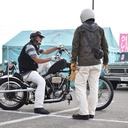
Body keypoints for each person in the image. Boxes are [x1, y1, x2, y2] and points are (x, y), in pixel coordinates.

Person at [70, 8, 109, 120]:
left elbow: (75, 47)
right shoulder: (100, 30)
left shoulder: (79, 30)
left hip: (83, 64)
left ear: (83, 17)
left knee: (80, 87)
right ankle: (91, 112)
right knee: (94, 87)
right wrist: (105, 61)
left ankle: (83, 113)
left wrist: (73, 61)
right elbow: (105, 46)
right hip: (96, 64)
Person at [18, 30, 59, 114]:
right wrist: (51, 58)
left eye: (41, 38)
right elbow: (38, 60)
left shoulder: (35, 47)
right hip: (27, 71)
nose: (41, 39)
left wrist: (57, 48)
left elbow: (46, 52)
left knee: (47, 63)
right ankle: (38, 107)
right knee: (41, 82)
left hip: (32, 68)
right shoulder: (30, 47)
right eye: (40, 37)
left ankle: (52, 83)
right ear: (34, 37)